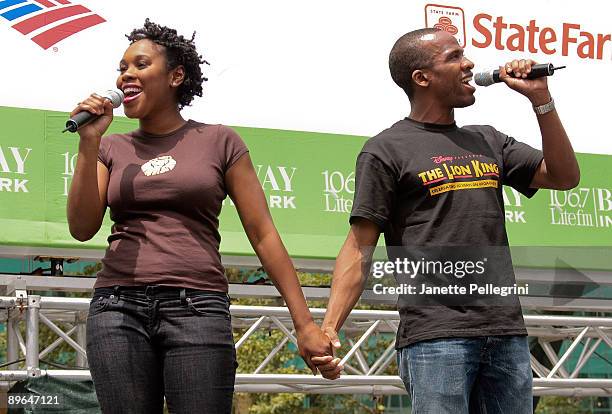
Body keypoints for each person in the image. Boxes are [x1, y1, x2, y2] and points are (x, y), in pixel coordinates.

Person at [66, 19, 332, 414]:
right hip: (117, 307)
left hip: (197, 307)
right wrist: (89, 145)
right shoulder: (111, 147)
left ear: (176, 75)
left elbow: (263, 234)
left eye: (140, 65)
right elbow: (82, 227)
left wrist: (304, 322)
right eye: (121, 68)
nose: (126, 75)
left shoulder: (220, 140)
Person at [311, 28, 579, 413]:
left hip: (505, 330)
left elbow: (564, 176)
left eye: (465, 55)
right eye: (454, 57)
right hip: (436, 337)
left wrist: (541, 98)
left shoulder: (489, 140)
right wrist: (330, 327)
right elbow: (359, 246)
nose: (469, 64)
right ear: (422, 78)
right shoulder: (385, 150)